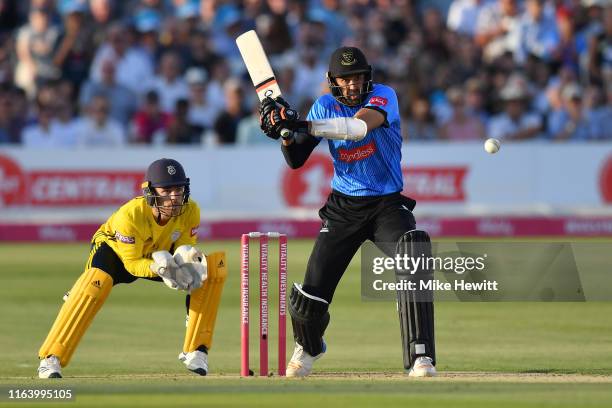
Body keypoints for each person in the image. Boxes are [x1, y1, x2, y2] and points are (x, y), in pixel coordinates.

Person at [259, 47, 436, 378]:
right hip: (343, 208)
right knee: (308, 298)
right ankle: (310, 346)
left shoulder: (385, 96)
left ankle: (420, 356)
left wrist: (299, 122)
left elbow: (358, 129)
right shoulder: (324, 104)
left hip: (387, 204)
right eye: (345, 79)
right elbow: (297, 160)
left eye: (357, 78)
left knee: (414, 252)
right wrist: (284, 134)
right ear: (333, 81)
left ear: (367, 78)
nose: (353, 85)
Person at [37, 159, 227, 378]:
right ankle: (50, 358)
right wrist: (162, 270)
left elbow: (185, 248)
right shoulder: (130, 215)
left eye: (178, 189)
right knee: (95, 284)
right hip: (116, 253)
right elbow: (132, 264)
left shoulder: (191, 210)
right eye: (166, 190)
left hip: (161, 254)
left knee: (209, 271)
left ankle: (196, 351)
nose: (174, 196)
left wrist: (187, 265)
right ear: (150, 192)